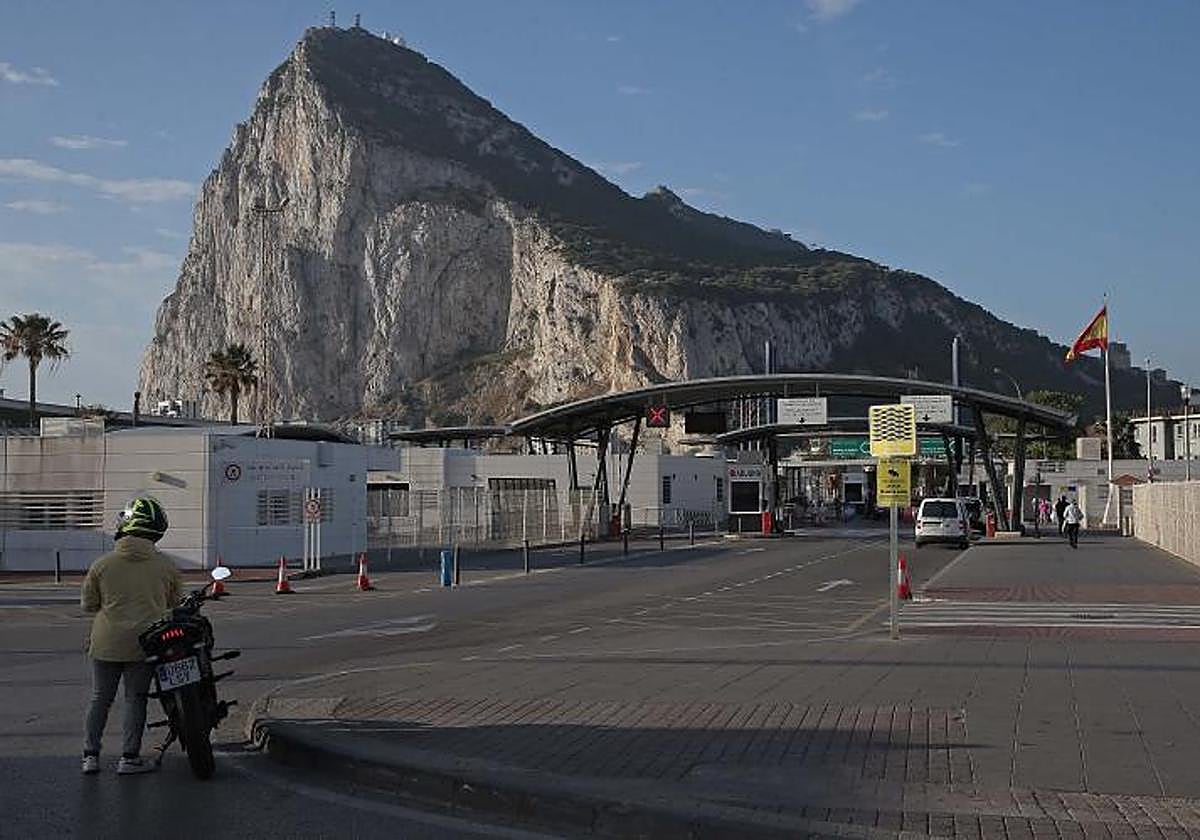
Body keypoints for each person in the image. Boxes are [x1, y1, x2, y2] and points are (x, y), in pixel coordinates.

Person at [81, 497, 182, 775]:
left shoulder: (102, 564)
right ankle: (128, 758)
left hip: (105, 643)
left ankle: (90, 756)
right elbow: (175, 603)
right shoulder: (166, 566)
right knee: (135, 699)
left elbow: (88, 604)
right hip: (146, 644)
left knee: (100, 698)